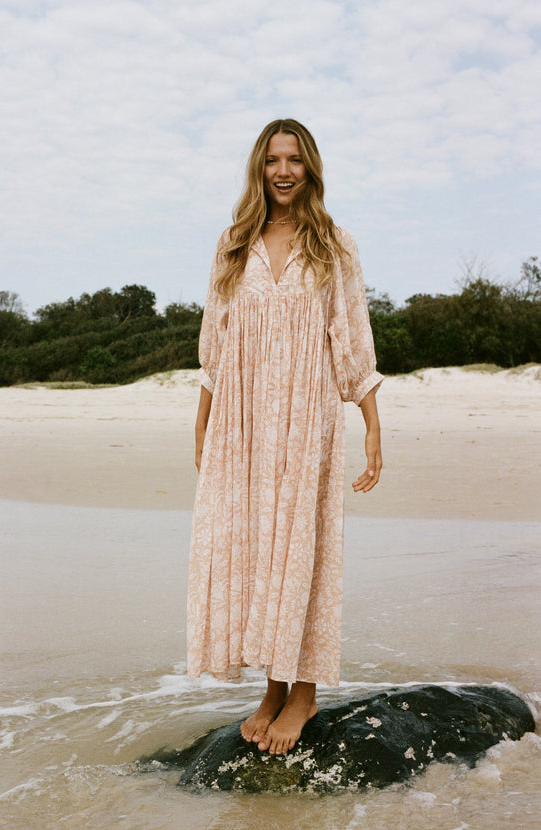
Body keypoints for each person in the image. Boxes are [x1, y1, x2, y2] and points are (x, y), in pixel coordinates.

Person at [187, 118, 383, 756]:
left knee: (302, 548)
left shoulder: (335, 245)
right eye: (273, 159)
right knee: (260, 553)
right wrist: (204, 424)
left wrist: (372, 423)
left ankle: (303, 693)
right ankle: (273, 688)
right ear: (258, 167)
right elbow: (215, 343)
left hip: (308, 419)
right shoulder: (233, 244)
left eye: (294, 159)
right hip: (243, 422)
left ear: (310, 167)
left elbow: (353, 338)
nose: (283, 171)